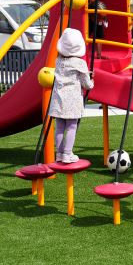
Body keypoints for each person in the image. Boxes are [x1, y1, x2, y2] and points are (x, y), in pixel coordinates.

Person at [48, 28, 93, 163]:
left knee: (60, 126)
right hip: (72, 100)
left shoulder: (58, 61)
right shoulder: (80, 63)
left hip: (58, 99)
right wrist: (92, 81)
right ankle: (68, 153)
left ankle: (60, 153)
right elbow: (87, 84)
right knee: (72, 126)